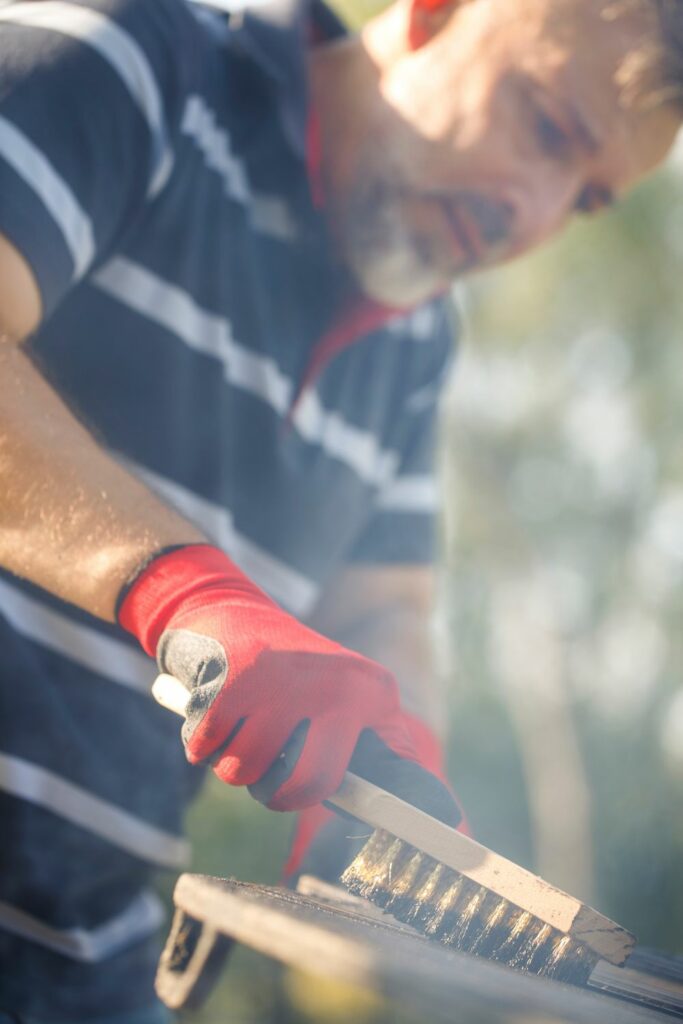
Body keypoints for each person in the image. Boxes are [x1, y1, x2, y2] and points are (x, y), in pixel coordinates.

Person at [0, 0, 679, 1018]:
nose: (531, 215)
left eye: (582, 200)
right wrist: (184, 595)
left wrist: (398, 772)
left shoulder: (414, 343)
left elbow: (380, 611)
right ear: (431, 14)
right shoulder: (138, 62)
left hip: (84, 959)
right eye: (543, 125)